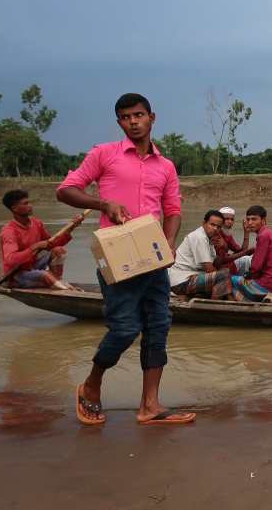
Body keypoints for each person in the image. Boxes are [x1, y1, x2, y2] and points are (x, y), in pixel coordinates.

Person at [56, 93, 195, 425]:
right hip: (116, 256)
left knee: (158, 326)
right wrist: (104, 204)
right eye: (125, 117)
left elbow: (172, 210)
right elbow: (66, 189)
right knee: (124, 329)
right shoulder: (104, 154)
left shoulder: (166, 166)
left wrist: (169, 241)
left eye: (138, 115)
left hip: (154, 260)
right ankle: (90, 386)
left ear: (152, 117)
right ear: (118, 122)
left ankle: (150, 406)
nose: (133, 122)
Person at [0, 189, 84, 291]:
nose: (30, 205)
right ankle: (67, 289)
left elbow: (53, 245)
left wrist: (71, 227)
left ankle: (56, 282)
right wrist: (35, 246)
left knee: (59, 251)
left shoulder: (36, 223)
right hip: (16, 275)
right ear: (15, 208)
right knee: (45, 275)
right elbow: (12, 260)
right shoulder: (9, 231)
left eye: (29, 202)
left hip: (33, 267)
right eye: (25, 204)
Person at [169, 211, 242, 301]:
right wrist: (223, 278)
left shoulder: (209, 239)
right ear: (204, 223)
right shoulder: (200, 237)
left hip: (193, 275)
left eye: (218, 227)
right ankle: (214, 306)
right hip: (181, 281)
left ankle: (222, 296)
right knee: (222, 276)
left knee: (226, 271)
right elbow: (209, 269)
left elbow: (215, 265)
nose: (215, 229)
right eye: (212, 225)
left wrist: (223, 249)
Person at [231, 205, 272, 302]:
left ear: (263, 220)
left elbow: (255, 267)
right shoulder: (268, 233)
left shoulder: (263, 235)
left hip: (271, 282)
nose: (250, 223)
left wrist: (248, 276)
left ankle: (247, 302)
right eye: (248, 219)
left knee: (230, 280)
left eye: (254, 219)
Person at [214, 206, 253, 275]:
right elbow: (224, 259)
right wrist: (249, 250)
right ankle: (242, 281)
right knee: (246, 259)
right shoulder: (215, 234)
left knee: (251, 256)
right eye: (226, 219)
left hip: (226, 262)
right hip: (217, 266)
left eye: (232, 219)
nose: (229, 222)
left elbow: (241, 251)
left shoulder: (228, 235)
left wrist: (246, 233)